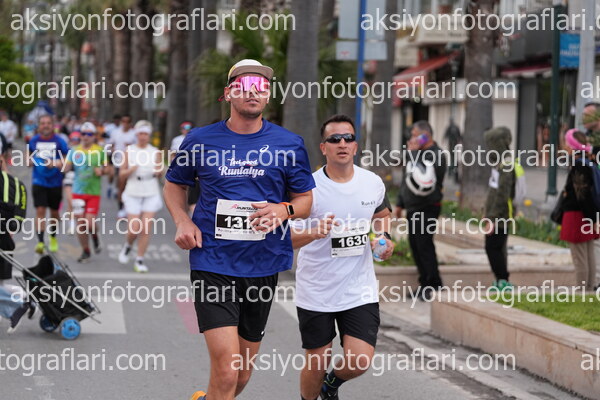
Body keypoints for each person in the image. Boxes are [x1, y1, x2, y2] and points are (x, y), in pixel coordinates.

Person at [164, 59, 315, 400]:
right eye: (244, 86)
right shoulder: (199, 140)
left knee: (242, 375)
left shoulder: (288, 143)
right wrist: (183, 220)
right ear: (228, 93)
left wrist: (283, 210)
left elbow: (305, 200)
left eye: (260, 87)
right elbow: (174, 184)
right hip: (212, 263)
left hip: (263, 264)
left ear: (268, 95)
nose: (252, 93)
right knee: (227, 370)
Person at [291, 114, 394, 400]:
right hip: (317, 289)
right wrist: (314, 232)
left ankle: (331, 385)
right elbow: (285, 239)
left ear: (356, 146)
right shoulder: (307, 188)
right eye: (334, 139)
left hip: (358, 289)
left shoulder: (372, 182)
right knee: (317, 361)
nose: (342, 144)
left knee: (360, 359)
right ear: (323, 147)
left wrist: (384, 239)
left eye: (348, 138)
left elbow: (382, 216)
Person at [395, 120, 446, 300]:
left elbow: (423, 177)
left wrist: (413, 154)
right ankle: (424, 283)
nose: (412, 139)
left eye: (416, 135)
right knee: (415, 246)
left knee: (425, 246)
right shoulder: (417, 153)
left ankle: (434, 284)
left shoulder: (436, 154)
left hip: (427, 207)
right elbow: (407, 180)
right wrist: (400, 203)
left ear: (426, 135)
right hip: (413, 207)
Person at [117, 120, 163, 273]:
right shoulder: (129, 151)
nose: (143, 137)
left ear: (149, 136)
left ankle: (140, 259)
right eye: (141, 134)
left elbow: (160, 170)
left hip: (150, 190)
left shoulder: (155, 151)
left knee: (146, 227)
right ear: (136, 135)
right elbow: (121, 174)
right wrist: (130, 170)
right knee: (134, 228)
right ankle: (128, 245)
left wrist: (159, 171)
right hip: (133, 191)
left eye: (145, 134)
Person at [558, 129, 599, 291]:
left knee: (580, 258)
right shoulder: (588, 163)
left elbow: (582, 195)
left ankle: (581, 291)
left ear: (572, 146)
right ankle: (589, 289)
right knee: (588, 255)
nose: (564, 146)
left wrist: (591, 219)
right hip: (587, 215)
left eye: (566, 143)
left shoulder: (578, 165)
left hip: (577, 216)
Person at [64, 122, 106, 263]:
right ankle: (86, 251)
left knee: (89, 223)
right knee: (81, 224)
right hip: (77, 192)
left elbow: (109, 169)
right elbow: (66, 167)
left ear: (94, 136)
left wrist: (102, 171)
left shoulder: (100, 151)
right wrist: (61, 165)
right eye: (83, 134)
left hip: (93, 192)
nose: (86, 136)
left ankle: (95, 236)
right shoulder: (74, 150)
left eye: (89, 134)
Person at [27, 115, 69, 254]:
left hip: (55, 182)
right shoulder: (34, 140)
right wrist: (29, 160)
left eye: (48, 123)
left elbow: (67, 162)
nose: (45, 125)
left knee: (54, 213)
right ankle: (40, 242)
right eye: (43, 123)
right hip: (39, 181)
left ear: (53, 125)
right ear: (39, 126)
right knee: (40, 210)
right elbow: (28, 157)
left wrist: (55, 163)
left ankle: (53, 237)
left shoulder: (60, 141)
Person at [482, 127, 516, 291]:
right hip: (495, 215)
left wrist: (492, 217)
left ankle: (503, 279)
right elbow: (493, 191)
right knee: (496, 247)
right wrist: (486, 213)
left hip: (500, 216)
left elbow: (502, 194)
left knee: (493, 247)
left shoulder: (506, 166)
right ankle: (500, 279)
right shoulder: (499, 165)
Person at [107, 114, 136, 218]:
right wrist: (112, 150)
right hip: (118, 161)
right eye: (123, 121)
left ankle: (127, 207)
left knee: (128, 186)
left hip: (131, 163)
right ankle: (121, 208)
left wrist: (131, 146)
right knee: (121, 185)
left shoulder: (134, 134)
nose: (125, 124)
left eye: (127, 122)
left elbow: (139, 147)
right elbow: (110, 145)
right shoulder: (115, 133)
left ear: (130, 123)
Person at [170, 121, 200, 213]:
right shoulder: (176, 140)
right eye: (183, 128)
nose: (186, 130)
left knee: (191, 191)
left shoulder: (196, 138)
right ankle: (183, 210)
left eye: (188, 128)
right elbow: (172, 154)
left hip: (192, 167)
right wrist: (172, 166)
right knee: (181, 190)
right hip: (180, 167)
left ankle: (188, 209)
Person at [63, 131, 82, 235]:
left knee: (79, 204)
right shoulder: (67, 151)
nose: (75, 141)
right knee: (71, 202)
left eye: (77, 139)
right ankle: (71, 225)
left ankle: (80, 222)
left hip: (81, 180)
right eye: (73, 139)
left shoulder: (84, 151)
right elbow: (64, 167)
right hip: (69, 179)